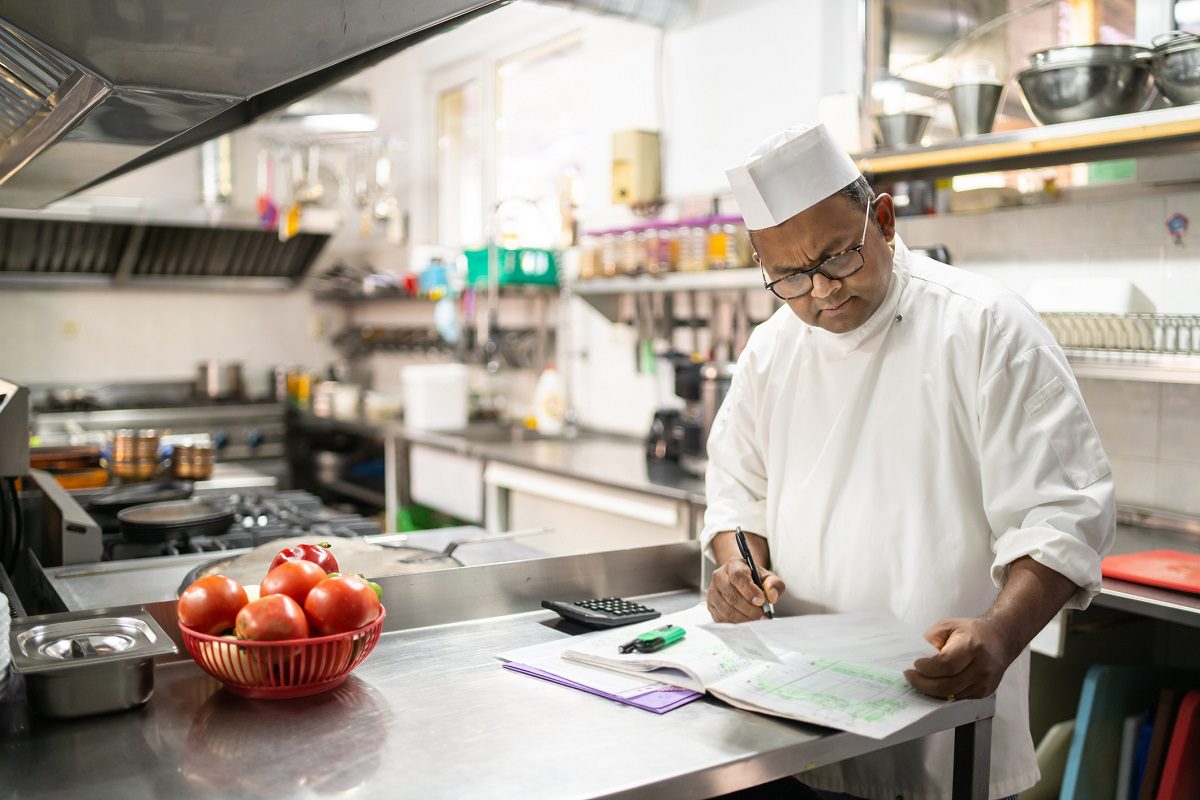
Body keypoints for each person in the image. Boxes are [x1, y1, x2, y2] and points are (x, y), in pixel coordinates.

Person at [703, 123, 1114, 800]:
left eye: (837, 257)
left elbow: (1064, 513)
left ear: (884, 219)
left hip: (948, 717)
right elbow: (739, 497)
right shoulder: (771, 351)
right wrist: (739, 571)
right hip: (800, 725)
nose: (821, 291)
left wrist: (1002, 636)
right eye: (790, 277)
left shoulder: (986, 327)